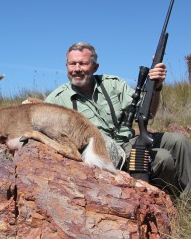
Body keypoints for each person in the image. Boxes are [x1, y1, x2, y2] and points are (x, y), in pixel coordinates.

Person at [45, 41, 191, 198]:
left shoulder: (112, 84)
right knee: (162, 158)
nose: (77, 69)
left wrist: (156, 87)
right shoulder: (56, 99)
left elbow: (148, 114)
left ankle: (188, 199)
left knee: (179, 140)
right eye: (72, 64)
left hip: (129, 141)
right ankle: (173, 201)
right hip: (105, 155)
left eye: (83, 63)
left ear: (95, 67)